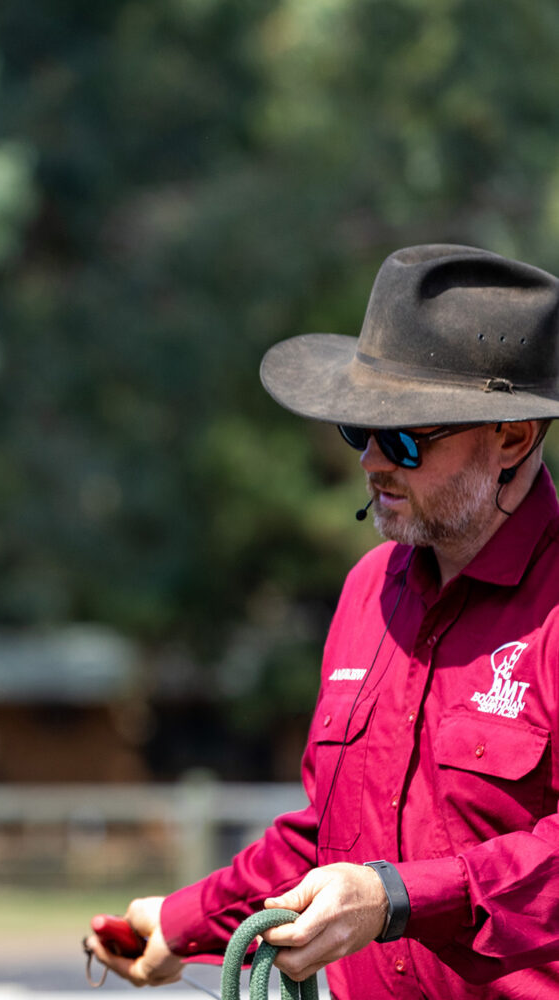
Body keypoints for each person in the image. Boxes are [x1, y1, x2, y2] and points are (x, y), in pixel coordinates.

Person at [86, 244, 559, 998]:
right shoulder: (369, 590)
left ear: (511, 437)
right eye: (357, 430)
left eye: (406, 436)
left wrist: (397, 899)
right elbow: (331, 833)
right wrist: (181, 923)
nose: (371, 461)